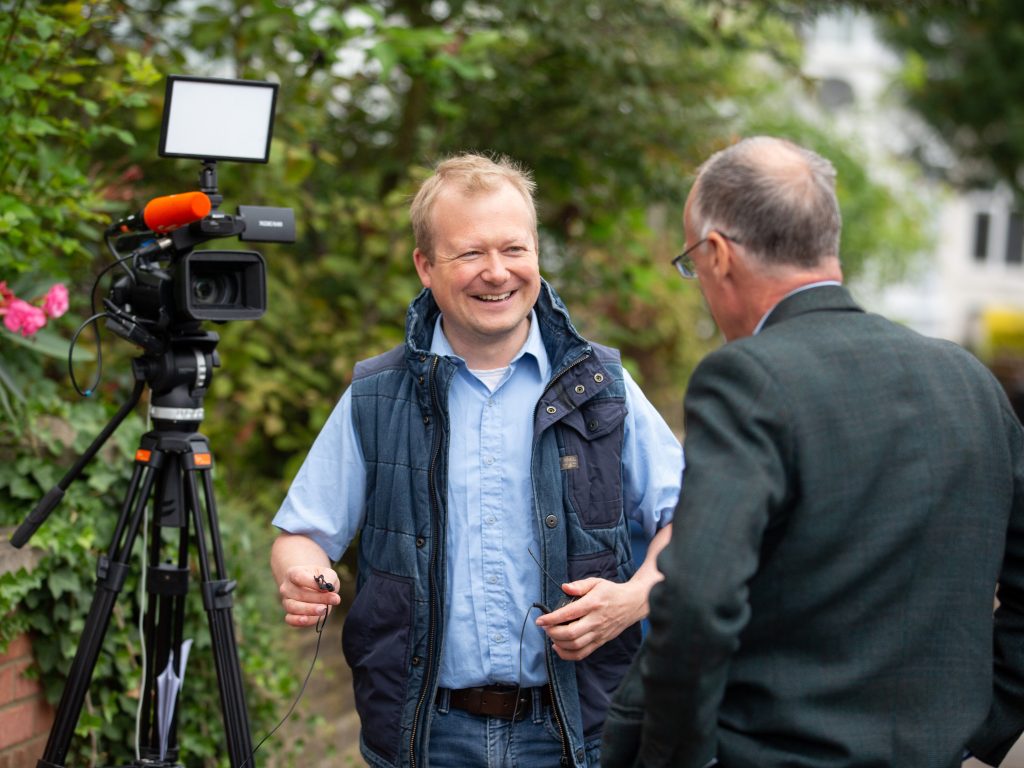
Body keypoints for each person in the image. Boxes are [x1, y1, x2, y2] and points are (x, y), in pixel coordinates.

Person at [601, 136, 1024, 768]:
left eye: (690, 264)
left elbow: (696, 601)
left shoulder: (747, 379)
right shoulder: (970, 383)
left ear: (717, 255)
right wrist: (985, 726)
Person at [271, 152, 682, 768]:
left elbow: (693, 519)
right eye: (470, 254)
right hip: (423, 737)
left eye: (514, 249)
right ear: (425, 266)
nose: (497, 273)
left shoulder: (603, 385)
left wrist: (637, 595)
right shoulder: (377, 395)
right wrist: (305, 573)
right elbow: (302, 533)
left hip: (579, 735)